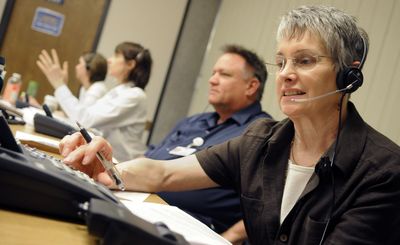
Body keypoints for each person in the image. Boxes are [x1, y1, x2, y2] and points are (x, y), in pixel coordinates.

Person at [59, 5, 400, 245]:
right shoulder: (260, 142)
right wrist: (110, 168)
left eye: (305, 61)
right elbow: (163, 174)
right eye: (281, 62)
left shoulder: (382, 170)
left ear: (349, 76)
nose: (286, 74)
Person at [145, 44, 271, 235]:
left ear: (251, 86)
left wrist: (231, 237)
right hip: (143, 204)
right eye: (213, 73)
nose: (212, 80)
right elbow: (150, 156)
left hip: (191, 226)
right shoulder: (193, 121)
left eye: (224, 75)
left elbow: (270, 205)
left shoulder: (260, 134)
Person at [37, 42, 152, 161]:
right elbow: (86, 116)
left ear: (130, 64)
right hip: (106, 158)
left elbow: (85, 120)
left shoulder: (135, 95)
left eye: (116, 56)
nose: (109, 60)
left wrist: (59, 85)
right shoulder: (120, 91)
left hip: (121, 164)